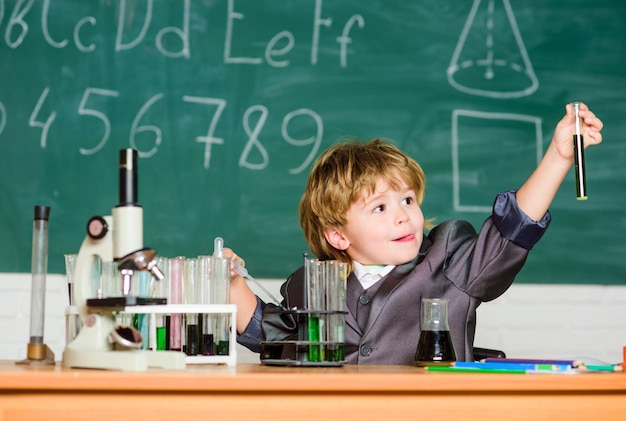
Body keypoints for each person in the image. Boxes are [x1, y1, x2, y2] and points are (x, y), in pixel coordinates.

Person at [225, 102, 603, 364]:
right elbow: (271, 336)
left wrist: (559, 156)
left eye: (407, 200)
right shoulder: (310, 284)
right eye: (380, 208)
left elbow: (511, 229)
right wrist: (233, 285)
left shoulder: (450, 260)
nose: (403, 216)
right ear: (338, 237)